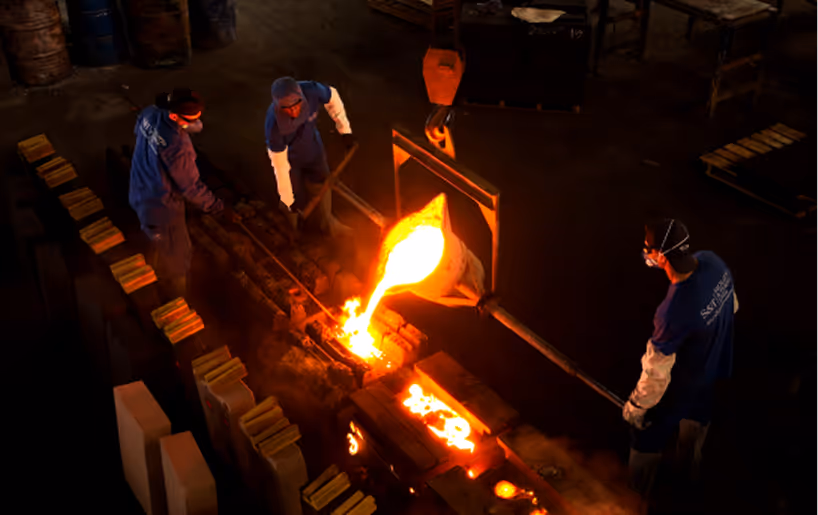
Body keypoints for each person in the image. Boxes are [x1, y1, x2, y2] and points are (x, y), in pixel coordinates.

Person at [623, 219, 738, 503]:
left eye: (649, 248)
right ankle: (687, 487)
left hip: (682, 386)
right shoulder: (712, 262)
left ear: (661, 256)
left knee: (646, 439)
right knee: (695, 430)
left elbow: (656, 373)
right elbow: (732, 305)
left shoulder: (672, 311)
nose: (646, 252)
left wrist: (637, 406)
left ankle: (632, 502)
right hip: (713, 373)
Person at [129, 88, 237, 299]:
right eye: (189, 121)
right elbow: (190, 188)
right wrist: (218, 207)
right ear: (174, 115)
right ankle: (175, 303)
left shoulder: (149, 114)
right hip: (162, 207)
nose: (195, 125)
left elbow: (140, 134)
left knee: (154, 238)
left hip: (138, 188)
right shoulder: (178, 147)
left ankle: (151, 268)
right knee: (177, 256)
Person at [265, 77, 355, 236]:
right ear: (278, 106)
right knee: (291, 197)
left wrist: (344, 130)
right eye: (286, 108)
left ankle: (327, 223)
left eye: (296, 105)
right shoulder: (273, 125)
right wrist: (288, 200)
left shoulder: (312, 91)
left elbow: (332, 96)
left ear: (302, 97)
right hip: (289, 159)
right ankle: (291, 227)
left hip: (313, 149)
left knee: (321, 183)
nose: (293, 111)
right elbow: (279, 166)